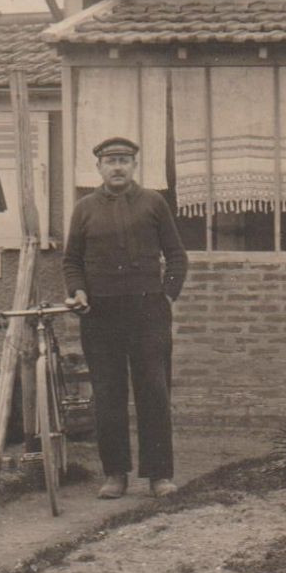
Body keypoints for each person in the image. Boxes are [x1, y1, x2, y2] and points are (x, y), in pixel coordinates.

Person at [63, 136, 188, 499]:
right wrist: (79, 291)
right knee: (107, 394)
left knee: (154, 390)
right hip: (100, 314)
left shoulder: (154, 203)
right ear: (99, 168)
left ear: (134, 166)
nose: (117, 167)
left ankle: (159, 475)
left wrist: (166, 293)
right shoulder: (84, 208)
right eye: (110, 161)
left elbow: (177, 255)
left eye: (124, 160)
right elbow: (72, 261)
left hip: (148, 311)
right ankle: (115, 474)